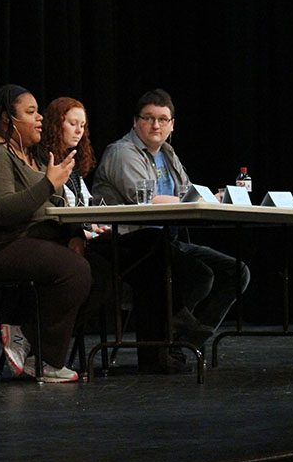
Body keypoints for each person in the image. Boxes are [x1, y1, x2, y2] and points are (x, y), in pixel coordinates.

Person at [0, 84, 110, 383]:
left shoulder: (28, 155)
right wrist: (49, 184)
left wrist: (75, 232)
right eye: (31, 112)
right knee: (73, 269)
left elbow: (48, 204)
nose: (40, 118)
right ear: (6, 120)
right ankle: (46, 359)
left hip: (24, 241)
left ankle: (28, 338)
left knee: (101, 271)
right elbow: (0, 211)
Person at [92, 87, 250, 373]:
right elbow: (147, 199)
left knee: (236, 271)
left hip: (166, 240)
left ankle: (187, 337)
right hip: (130, 244)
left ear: (172, 125)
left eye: (163, 119)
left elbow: (187, 192)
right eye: (149, 118)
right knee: (199, 274)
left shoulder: (168, 153)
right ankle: (181, 333)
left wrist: (212, 198)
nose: (156, 125)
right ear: (135, 122)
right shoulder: (122, 152)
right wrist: (197, 199)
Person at [41, 96, 111, 241]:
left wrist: (95, 229)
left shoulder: (72, 160)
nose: (79, 131)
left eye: (82, 125)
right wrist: (87, 233)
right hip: (63, 238)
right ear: (55, 125)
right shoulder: (45, 161)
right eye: (73, 124)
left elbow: (84, 205)